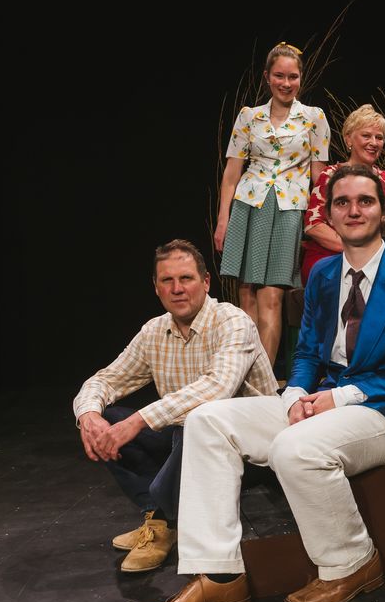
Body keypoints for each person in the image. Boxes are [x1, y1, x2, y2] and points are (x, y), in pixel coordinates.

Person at [135, 166, 385, 602]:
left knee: (293, 449)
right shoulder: (322, 274)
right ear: (329, 215)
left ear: (383, 212)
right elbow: (308, 352)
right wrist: (295, 392)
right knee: (207, 419)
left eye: (365, 201)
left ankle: (352, 562)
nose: (353, 210)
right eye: (342, 202)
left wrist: (342, 397)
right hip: (321, 399)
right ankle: (220, 577)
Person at [73, 240, 277, 573]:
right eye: (167, 280)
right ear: (156, 287)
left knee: (196, 421)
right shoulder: (154, 331)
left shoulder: (232, 321)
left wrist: (139, 420)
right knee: (108, 418)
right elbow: (105, 380)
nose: (177, 289)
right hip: (186, 441)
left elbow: (218, 388)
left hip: (250, 448)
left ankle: (164, 520)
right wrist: (88, 415)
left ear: (206, 282)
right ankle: (159, 519)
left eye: (186, 278)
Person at [214, 42, 331, 366]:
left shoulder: (314, 118)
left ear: (301, 79)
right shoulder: (249, 117)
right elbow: (231, 173)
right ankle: (243, 371)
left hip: (288, 209)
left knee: (272, 294)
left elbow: (318, 176)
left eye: (293, 77)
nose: (286, 83)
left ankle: (263, 378)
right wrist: (223, 219)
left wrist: (319, 219)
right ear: (267, 77)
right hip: (248, 206)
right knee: (246, 294)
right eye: (279, 76)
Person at [301, 104, 385, 278]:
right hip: (331, 255)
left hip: (374, 259)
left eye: (379, 137)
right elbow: (314, 225)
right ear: (348, 139)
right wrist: (357, 250)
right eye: (366, 136)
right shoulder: (330, 175)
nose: (374, 143)